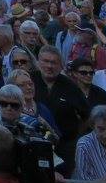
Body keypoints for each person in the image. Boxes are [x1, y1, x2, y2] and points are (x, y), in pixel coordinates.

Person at [32, 45, 88, 174]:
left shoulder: (70, 86)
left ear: (61, 65)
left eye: (54, 62)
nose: (49, 66)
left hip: (65, 148)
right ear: (38, 62)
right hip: (36, 146)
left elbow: (87, 115)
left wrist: (76, 137)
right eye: (46, 61)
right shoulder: (29, 81)